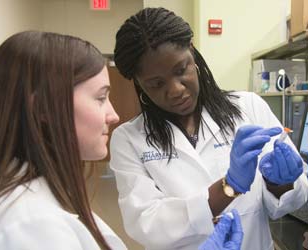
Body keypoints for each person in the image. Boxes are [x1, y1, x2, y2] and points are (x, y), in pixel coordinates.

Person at [0, 30, 242, 250]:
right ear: (43, 108)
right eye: (100, 98)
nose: (114, 115)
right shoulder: (28, 225)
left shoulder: (39, 202)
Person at [110, 7, 308, 250]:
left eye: (181, 70)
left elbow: (290, 201)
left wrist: (281, 182)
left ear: (192, 52)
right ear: (139, 83)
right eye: (156, 84)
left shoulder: (249, 107)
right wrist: (229, 186)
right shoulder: (129, 140)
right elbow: (146, 224)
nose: (175, 90)